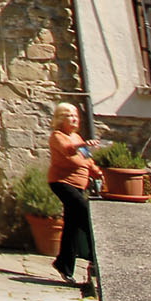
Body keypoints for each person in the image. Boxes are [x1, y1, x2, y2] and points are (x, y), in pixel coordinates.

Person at [47, 102, 99, 287]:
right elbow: (68, 150)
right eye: (69, 115)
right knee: (85, 215)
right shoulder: (57, 136)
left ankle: (63, 264)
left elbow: (88, 161)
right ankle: (97, 257)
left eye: (75, 115)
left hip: (79, 185)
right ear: (61, 118)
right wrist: (82, 144)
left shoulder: (76, 136)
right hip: (62, 183)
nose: (74, 119)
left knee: (72, 224)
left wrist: (100, 173)